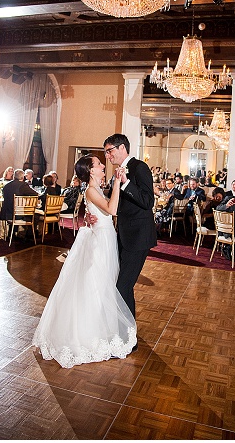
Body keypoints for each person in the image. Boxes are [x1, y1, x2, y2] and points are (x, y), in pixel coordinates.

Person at [32, 155, 137, 367]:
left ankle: (102, 327)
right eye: (98, 164)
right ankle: (90, 332)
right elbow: (112, 210)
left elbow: (99, 210)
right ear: (90, 170)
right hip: (101, 242)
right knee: (97, 285)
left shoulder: (94, 189)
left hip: (105, 238)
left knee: (104, 284)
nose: (102, 166)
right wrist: (117, 182)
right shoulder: (90, 190)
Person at [99, 134, 157, 330]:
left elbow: (148, 201)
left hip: (138, 237)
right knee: (123, 285)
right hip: (123, 235)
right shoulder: (118, 171)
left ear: (122, 148)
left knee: (121, 286)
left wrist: (125, 183)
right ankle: (125, 332)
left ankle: (127, 336)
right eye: (106, 152)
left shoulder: (140, 167)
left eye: (110, 151)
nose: (107, 156)